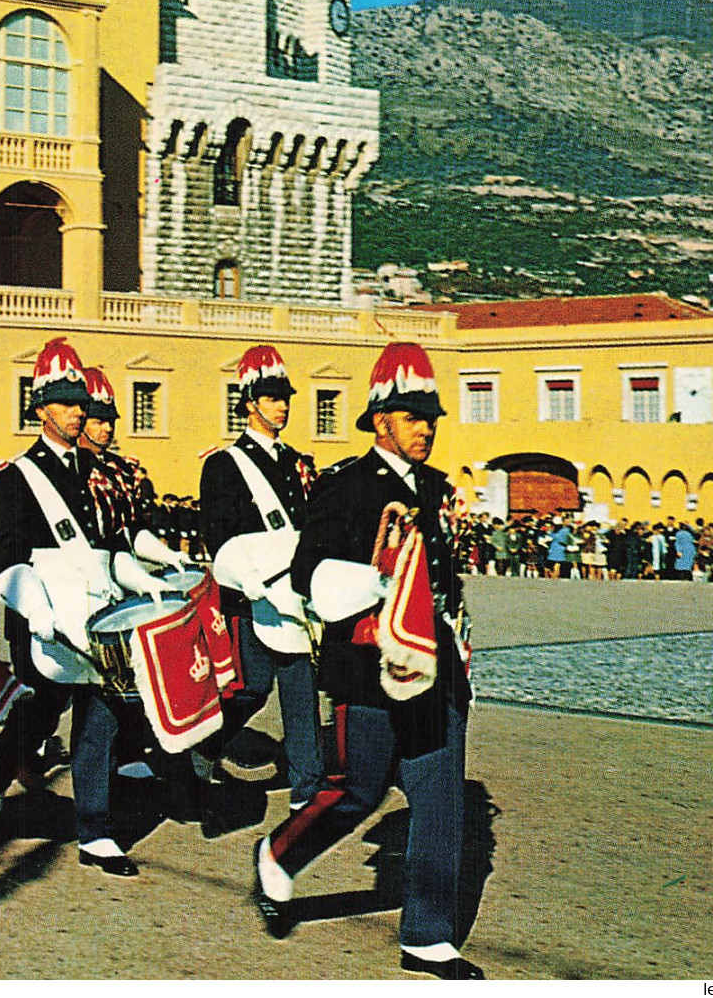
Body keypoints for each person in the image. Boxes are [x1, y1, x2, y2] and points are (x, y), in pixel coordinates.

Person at [262, 341, 480, 978]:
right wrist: (375, 580)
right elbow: (310, 575)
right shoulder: (345, 486)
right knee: (356, 793)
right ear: (382, 420)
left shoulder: (439, 489)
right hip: (367, 669)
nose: (426, 428)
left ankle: (428, 937)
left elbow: (444, 585)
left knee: (440, 799)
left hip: (431, 668)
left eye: (432, 417)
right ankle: (278, 855)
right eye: (413, 416)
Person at [0, 337, 171, 876]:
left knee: (100, 718)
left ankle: (96, 831)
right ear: (41, 409)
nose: (78, 412)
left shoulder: (98, 475)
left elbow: (113, 549)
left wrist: (145, 581)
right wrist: (36, 610)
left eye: (82, 402)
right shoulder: (16, 477)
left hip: (96, 617)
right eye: (66, 403)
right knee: (38, 713)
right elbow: (7, 558)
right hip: (45, 618)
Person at [197, 345, 322, 829]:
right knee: (251, 689)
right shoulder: (225, 464)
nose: (282, 406)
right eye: (271, 398)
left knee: (301, 686)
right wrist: (248, 581)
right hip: (249, 593)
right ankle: (204, 747)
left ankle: (306, 786)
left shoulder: (297, 462)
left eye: (284, 398)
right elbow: (220, 531)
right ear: (249, 402)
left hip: (292, 592)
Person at [77, 366, 190, 782]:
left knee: (118, 677)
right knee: (51, 697)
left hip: (115, 577)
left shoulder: (121, 472)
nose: (106, 428)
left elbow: (130, 530)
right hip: (68, 582)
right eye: (98, 420)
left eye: (110, 421)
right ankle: (11, 756)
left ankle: (120, 758)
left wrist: (166, 556)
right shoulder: (69, 473)